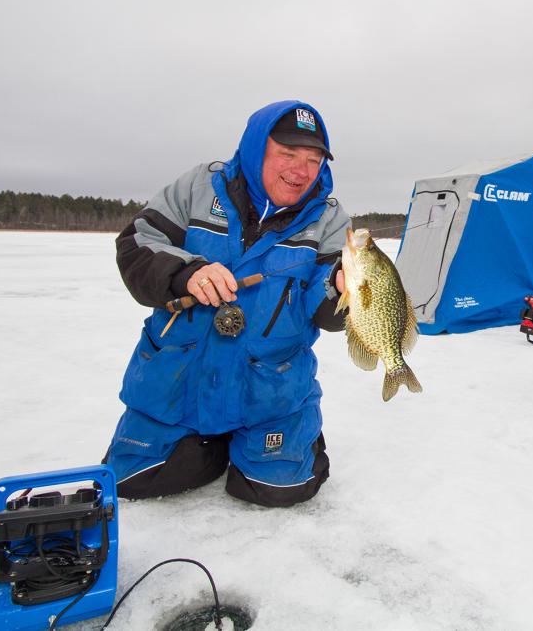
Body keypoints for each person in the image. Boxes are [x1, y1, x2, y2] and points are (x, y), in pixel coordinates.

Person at [104, 100, 350, 507]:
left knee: (280, 490)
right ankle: (206, 443)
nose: (300, 170)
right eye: (287, 154)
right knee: (133, 482)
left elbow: (326, 312)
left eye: (313, 159)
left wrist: (343, 293)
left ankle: (286, 437)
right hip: (177, 385)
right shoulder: (197, 189)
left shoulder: (329, 219)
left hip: (270, 393)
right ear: (257, 148)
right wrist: (186, 272)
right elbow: (135, 244)